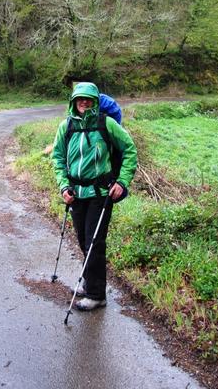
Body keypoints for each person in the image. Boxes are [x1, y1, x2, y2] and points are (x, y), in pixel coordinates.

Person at [52, 82, 137, 311]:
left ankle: (97, 294)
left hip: (100, 193)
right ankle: (90, 279)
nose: (84, 102)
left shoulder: (106, 124)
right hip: (76, 193)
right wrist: (63, 187)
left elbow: (129, 150)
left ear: (95, 101)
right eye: (80, 99)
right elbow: (58, 159)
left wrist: (122, 181)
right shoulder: (66, 127)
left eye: (88, 99)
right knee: (83, 240)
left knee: (94, 243)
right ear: (73, 101)